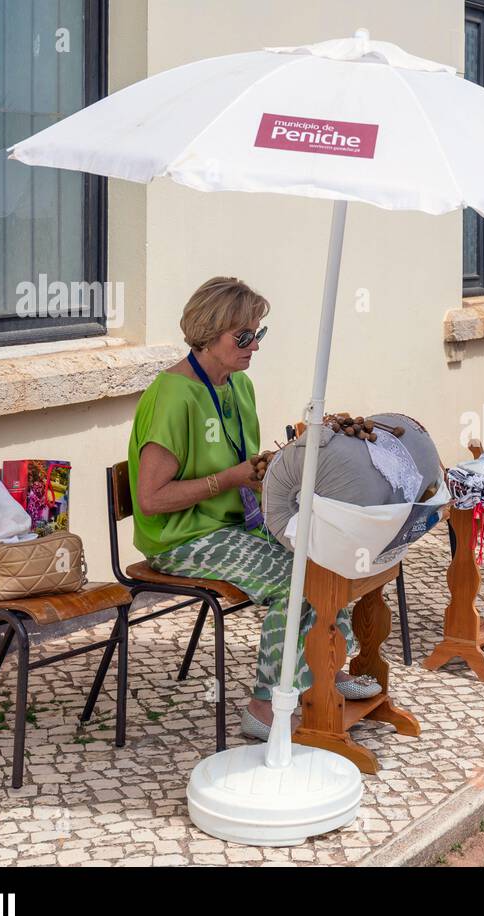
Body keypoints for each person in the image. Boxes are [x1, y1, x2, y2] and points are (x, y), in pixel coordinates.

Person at [128, 276, 377, 742]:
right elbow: (151, 499)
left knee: (326, 551)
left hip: (233, 524)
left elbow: (244, 465)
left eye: (258, 334)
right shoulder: (172, 396)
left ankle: (326, 665)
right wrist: (232, 477)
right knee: (296, 580)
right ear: (207, 332)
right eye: (243, 336)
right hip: (181, 539)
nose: (254, 346)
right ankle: (265, 705)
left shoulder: (238, 386)